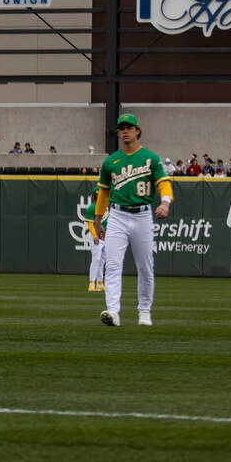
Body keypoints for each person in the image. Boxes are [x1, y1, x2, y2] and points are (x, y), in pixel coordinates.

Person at [92, 113, 172, 327]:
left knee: (145, 266)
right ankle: (112, 311)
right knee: (113, 265)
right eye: (121, 128)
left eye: (129, 127)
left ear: (137, 131)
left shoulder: (150, 158)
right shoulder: (111, 161)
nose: (125, 131)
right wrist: (98, 221)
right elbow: (103, 195)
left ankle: (144, 311)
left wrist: (165, 203)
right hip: (117, 215)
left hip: (143, 215)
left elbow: (164, 183)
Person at [81, 200, 106, 292]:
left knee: (102, 260)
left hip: (104, 236)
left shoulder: (105, 205)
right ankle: (92, 283)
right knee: (96, 259)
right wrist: (95, 236)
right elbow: (90, 223)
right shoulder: (92, 207)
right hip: (95, 236)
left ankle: (100, 283)